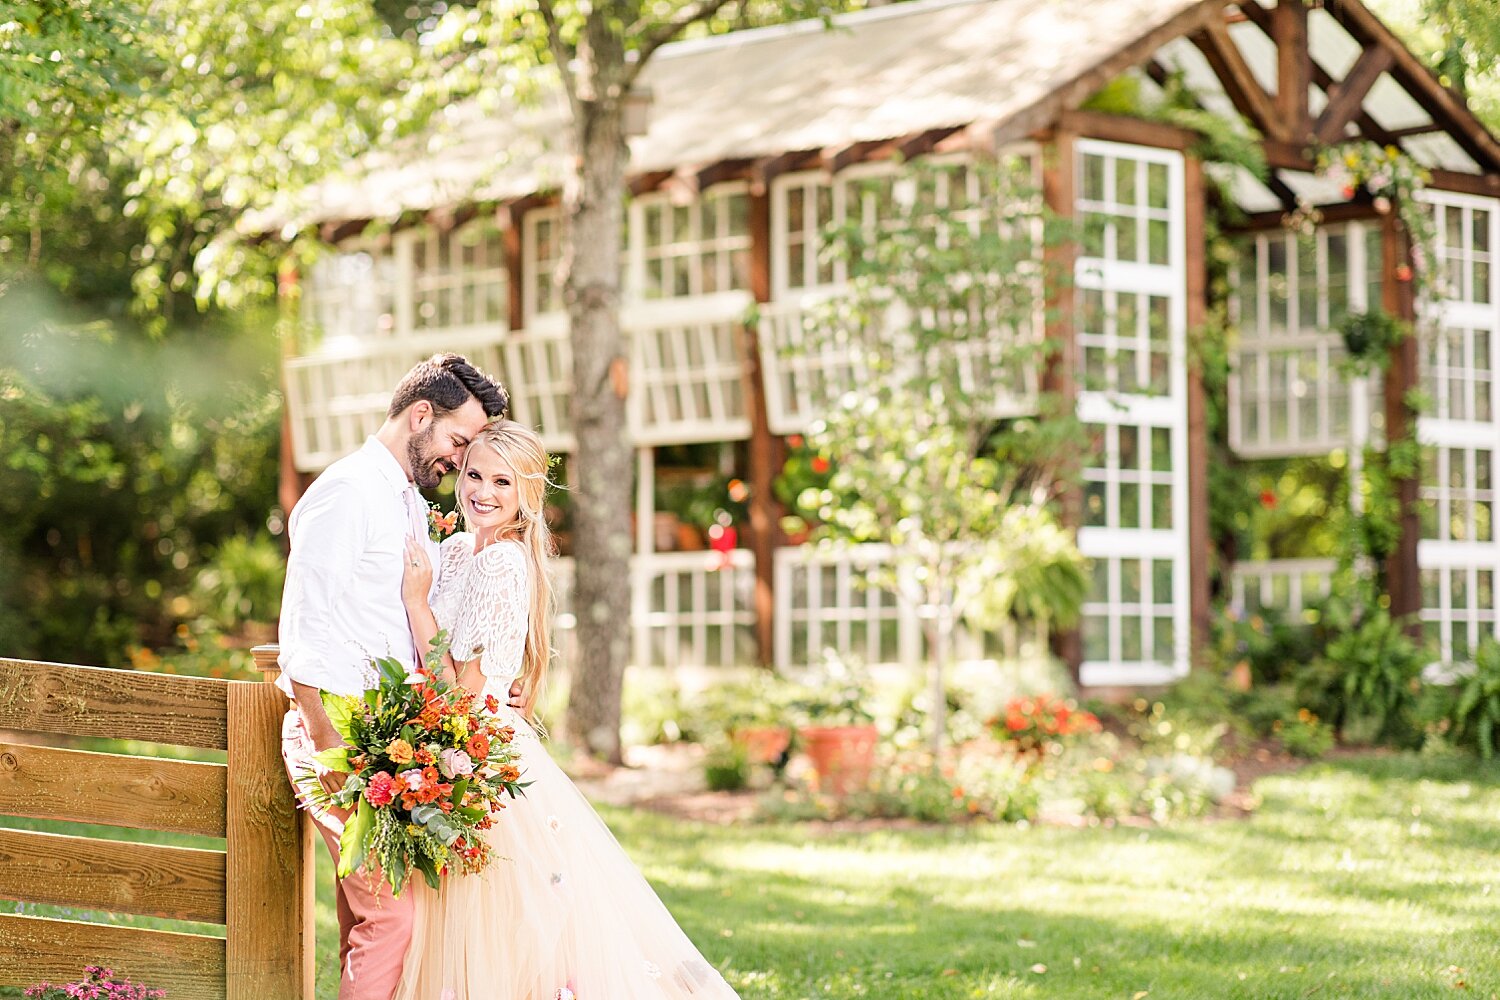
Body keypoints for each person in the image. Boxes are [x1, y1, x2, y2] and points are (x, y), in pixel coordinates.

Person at [393, 420, 741, 1000]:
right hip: (441, 746)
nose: (482, 491)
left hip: (477, 757)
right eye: (475, 474)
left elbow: (460, 691)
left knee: (502, 930)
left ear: (526, 493)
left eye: (502, 482)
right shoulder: (455, 550)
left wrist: (413, 600)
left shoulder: (504, 565)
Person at [276, 353, 512, 1000]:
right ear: (418, 416)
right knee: (392, 916)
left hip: (387, 741)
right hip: (336, 736)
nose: (459, 462)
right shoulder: (347, 493)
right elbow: (302, 633)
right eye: (457, 441)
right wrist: (328, 745)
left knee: (368, 913)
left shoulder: (405, 499)